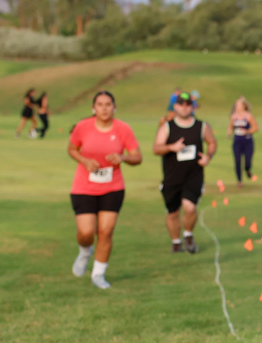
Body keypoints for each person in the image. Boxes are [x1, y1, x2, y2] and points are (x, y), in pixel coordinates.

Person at [66, 91, 142, 289]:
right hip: (84, 187)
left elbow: (137, 156)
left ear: (114, 107)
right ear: (94, 108)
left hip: (112, 187)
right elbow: (72, 149)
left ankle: (98, 274)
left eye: (108, 104)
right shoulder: (83, 127)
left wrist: (123, 157)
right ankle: (84, 251)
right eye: (100, 104)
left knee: (106, 232)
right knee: (86, 232)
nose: (104, 108)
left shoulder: (123, 129)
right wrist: (84, 161)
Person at [153, 91, 217, 254]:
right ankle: (176, 242)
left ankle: (188, 235)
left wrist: (208, 157)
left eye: (188, 104)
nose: (184, 107)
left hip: (193, 176)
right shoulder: (167, 126)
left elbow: (211, 143)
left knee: (190, 208)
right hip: (172, 177)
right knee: (172, 212)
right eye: (181, 104)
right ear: (175, 106)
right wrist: (171, 147)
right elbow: (156, 148)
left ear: (193, 107)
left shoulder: (202, 126)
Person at [229, 96, 258, 188]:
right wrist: (229, 132)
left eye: (238, 104)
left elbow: (255, 128)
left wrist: (247, 131)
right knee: (237, 161)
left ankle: (248, 169)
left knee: (247, 161)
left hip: (247, 141)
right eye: (236, 104)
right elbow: (230, 126)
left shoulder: (248, 116)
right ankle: (239, 181)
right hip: (237, 141)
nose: (236, 106)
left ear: (243, 106)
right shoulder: (233, 116)